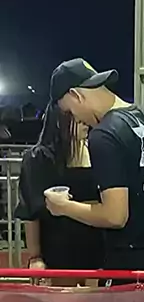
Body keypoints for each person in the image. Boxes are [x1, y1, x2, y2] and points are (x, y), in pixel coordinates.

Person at [43, 58, 144, 273]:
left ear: (76, 95)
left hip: (133, 266)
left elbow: (115, 216)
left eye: (70, 111)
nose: (76, 119)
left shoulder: (104, 135)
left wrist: (63, 207)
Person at [16, 104, 104, 285]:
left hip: (98, 250)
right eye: (77, 119)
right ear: (59, 121)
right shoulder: (38, 159)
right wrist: (35, 256)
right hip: (58, 251)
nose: (85, 123)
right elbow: (31, 212)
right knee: (63, 301)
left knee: (97, 301)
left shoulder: (98, 152)